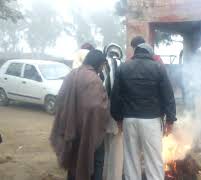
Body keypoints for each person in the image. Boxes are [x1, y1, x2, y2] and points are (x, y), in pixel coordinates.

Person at [111, 43, 177, 180]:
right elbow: (168, 96)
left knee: (131, 160)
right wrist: (170, 120)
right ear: (150, 54)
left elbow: (115, 96)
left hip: (129, 120)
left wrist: (118, 118)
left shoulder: (123, 67)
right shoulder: (158, 67)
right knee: (153, 161)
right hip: (151, 121)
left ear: (136, 53)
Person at [50, 50, 109, 180]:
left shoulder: (71, 74)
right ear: (98, 64)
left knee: (73, 161)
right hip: (88, 131)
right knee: (96, 161)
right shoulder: (94, 80)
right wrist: (106, 103)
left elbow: (60, 99)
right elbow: (96, 107)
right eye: (102, 65)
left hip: (70, 129)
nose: (102, 69)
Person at [101, 43, 124, 180]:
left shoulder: (102, 64)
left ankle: (104, 175)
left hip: (102, 109)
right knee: (117, 150)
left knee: (106, 147)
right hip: (117, 111)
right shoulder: (123, 65)